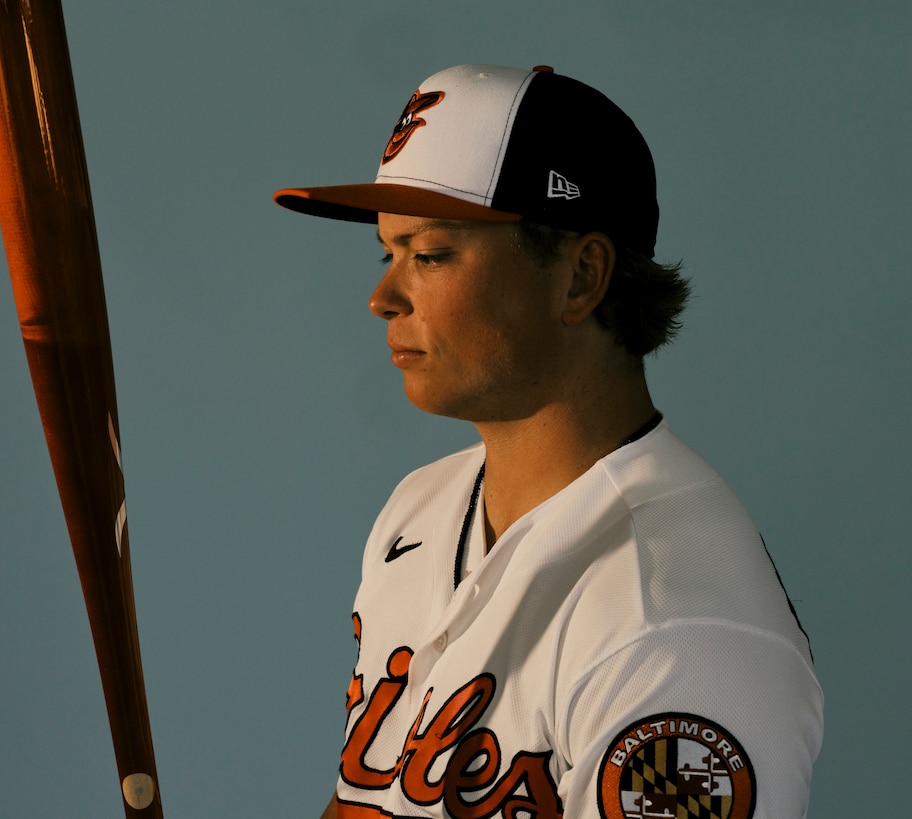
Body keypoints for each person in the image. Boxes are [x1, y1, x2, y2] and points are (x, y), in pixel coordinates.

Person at [274, 64, 822, 819]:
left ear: (580, 276)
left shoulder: (674, 625)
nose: (383, 298)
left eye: (429, 255)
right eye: (387, 253)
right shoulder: (420, 508)